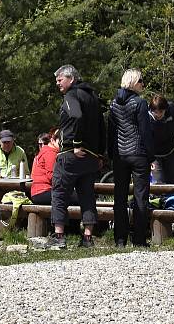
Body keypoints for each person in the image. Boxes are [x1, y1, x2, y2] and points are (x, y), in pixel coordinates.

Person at [48, 65, 105, 249]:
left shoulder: (71, 95)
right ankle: (88, 238)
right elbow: (101, 126)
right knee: (87, 196)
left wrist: (75, 144)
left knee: (59, 193)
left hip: (71, 156)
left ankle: (59, 236)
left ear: (71, 79)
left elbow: (76, 116)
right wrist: (100, 154)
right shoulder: (93, 97)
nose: (57, 84)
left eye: (60, 80)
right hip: (91, 158)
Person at [108, 69, 155, 247]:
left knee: (119, 198)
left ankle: (120, 239)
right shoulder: (139, 103)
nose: (143, 84)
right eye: (141, 81)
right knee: (140, 197)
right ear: (133, 82)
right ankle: (139, 240)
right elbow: (145, 132)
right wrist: (151, 156)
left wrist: (111, 154)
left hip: (120, 155)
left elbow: (111, 132)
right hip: (138, 154)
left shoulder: (113, 104)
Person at [149, 95, 174, 184]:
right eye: (155, 112)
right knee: (159, 184)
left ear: (166, 109)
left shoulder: (172, 109)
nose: (158, 115)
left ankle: (172, 197)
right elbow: (144, 140)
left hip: (171, 151)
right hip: (155, 155)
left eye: (161, 112)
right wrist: (149, 159)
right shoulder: (146, 117)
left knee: (172, 183)